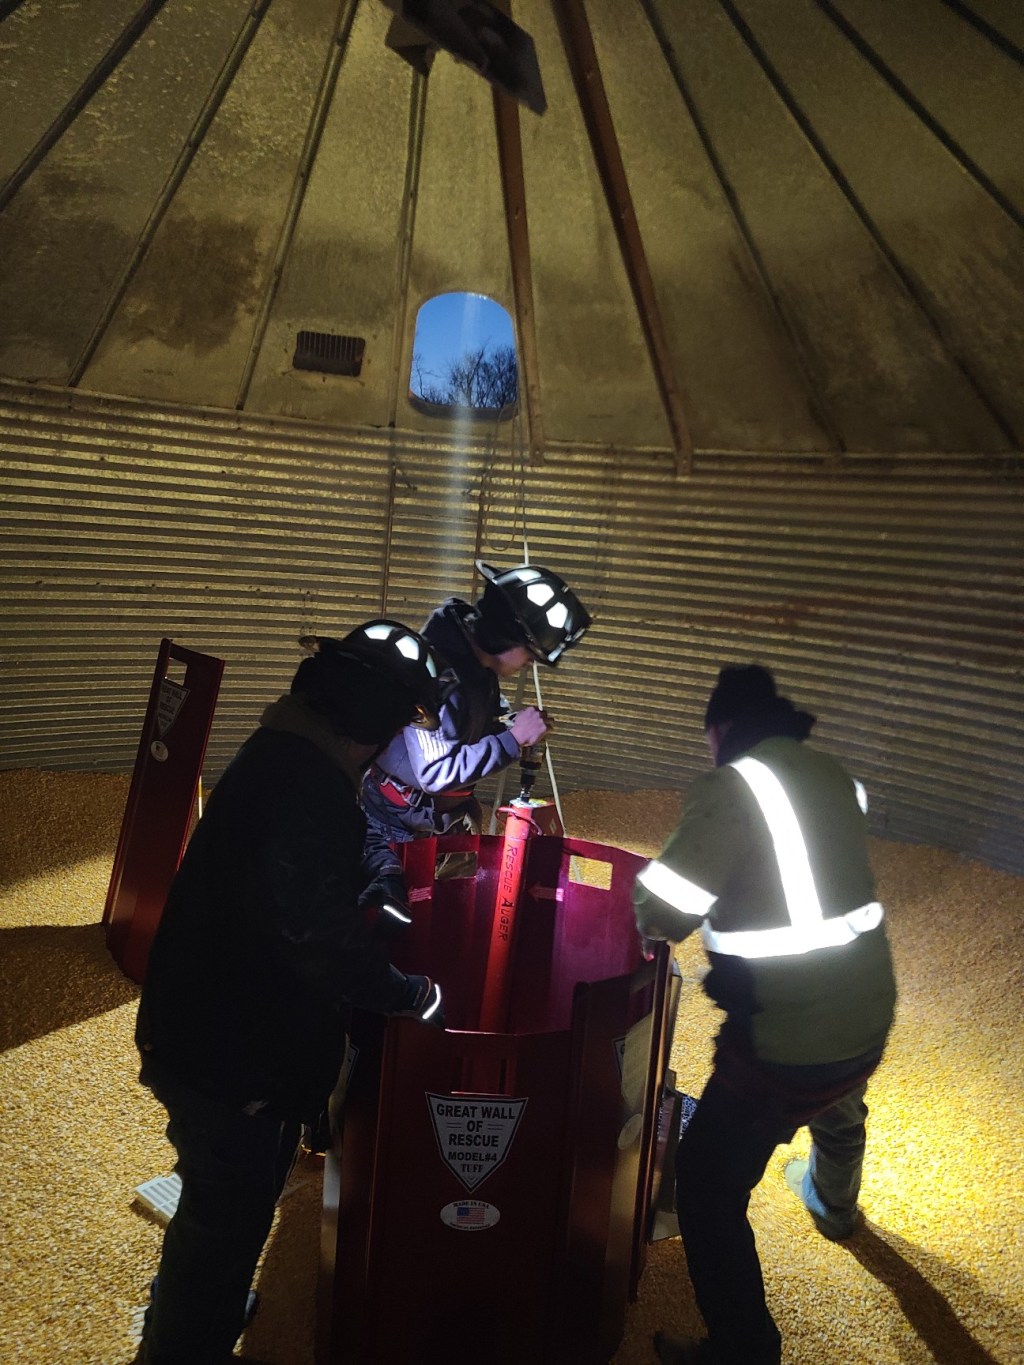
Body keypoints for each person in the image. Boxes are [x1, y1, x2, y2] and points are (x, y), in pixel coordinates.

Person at [132, 620, 448, 1365]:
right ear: (370, 723)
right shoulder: (304, 784)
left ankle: (202, 1302)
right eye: (398, 728)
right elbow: (319, 940)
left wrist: (376, 873)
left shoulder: (294, 754)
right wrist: (409, 994)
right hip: (229, 1061)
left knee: (225, 1205)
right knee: (225, 1211)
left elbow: (322, 857)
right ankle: (185, 1341)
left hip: (219, 1037)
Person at [633, 665, 897, 1365]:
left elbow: (664, 909)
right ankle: (834, 1207)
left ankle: (743, 1350)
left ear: (721, 728)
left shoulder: (730, 787)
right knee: (838, 1102)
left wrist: (641, 910)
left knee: (707, 1184)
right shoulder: (833, 774)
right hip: (867, 1011)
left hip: (785, 1041)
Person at [360, 560, 591, 851]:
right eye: (530, 655)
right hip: (397, 827)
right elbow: (436, 773)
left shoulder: (478, 667)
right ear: (504, 636)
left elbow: (471, 725)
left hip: (442, 819)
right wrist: (513, 739)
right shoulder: (438, 677)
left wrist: (510, 725)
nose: (529, 664)